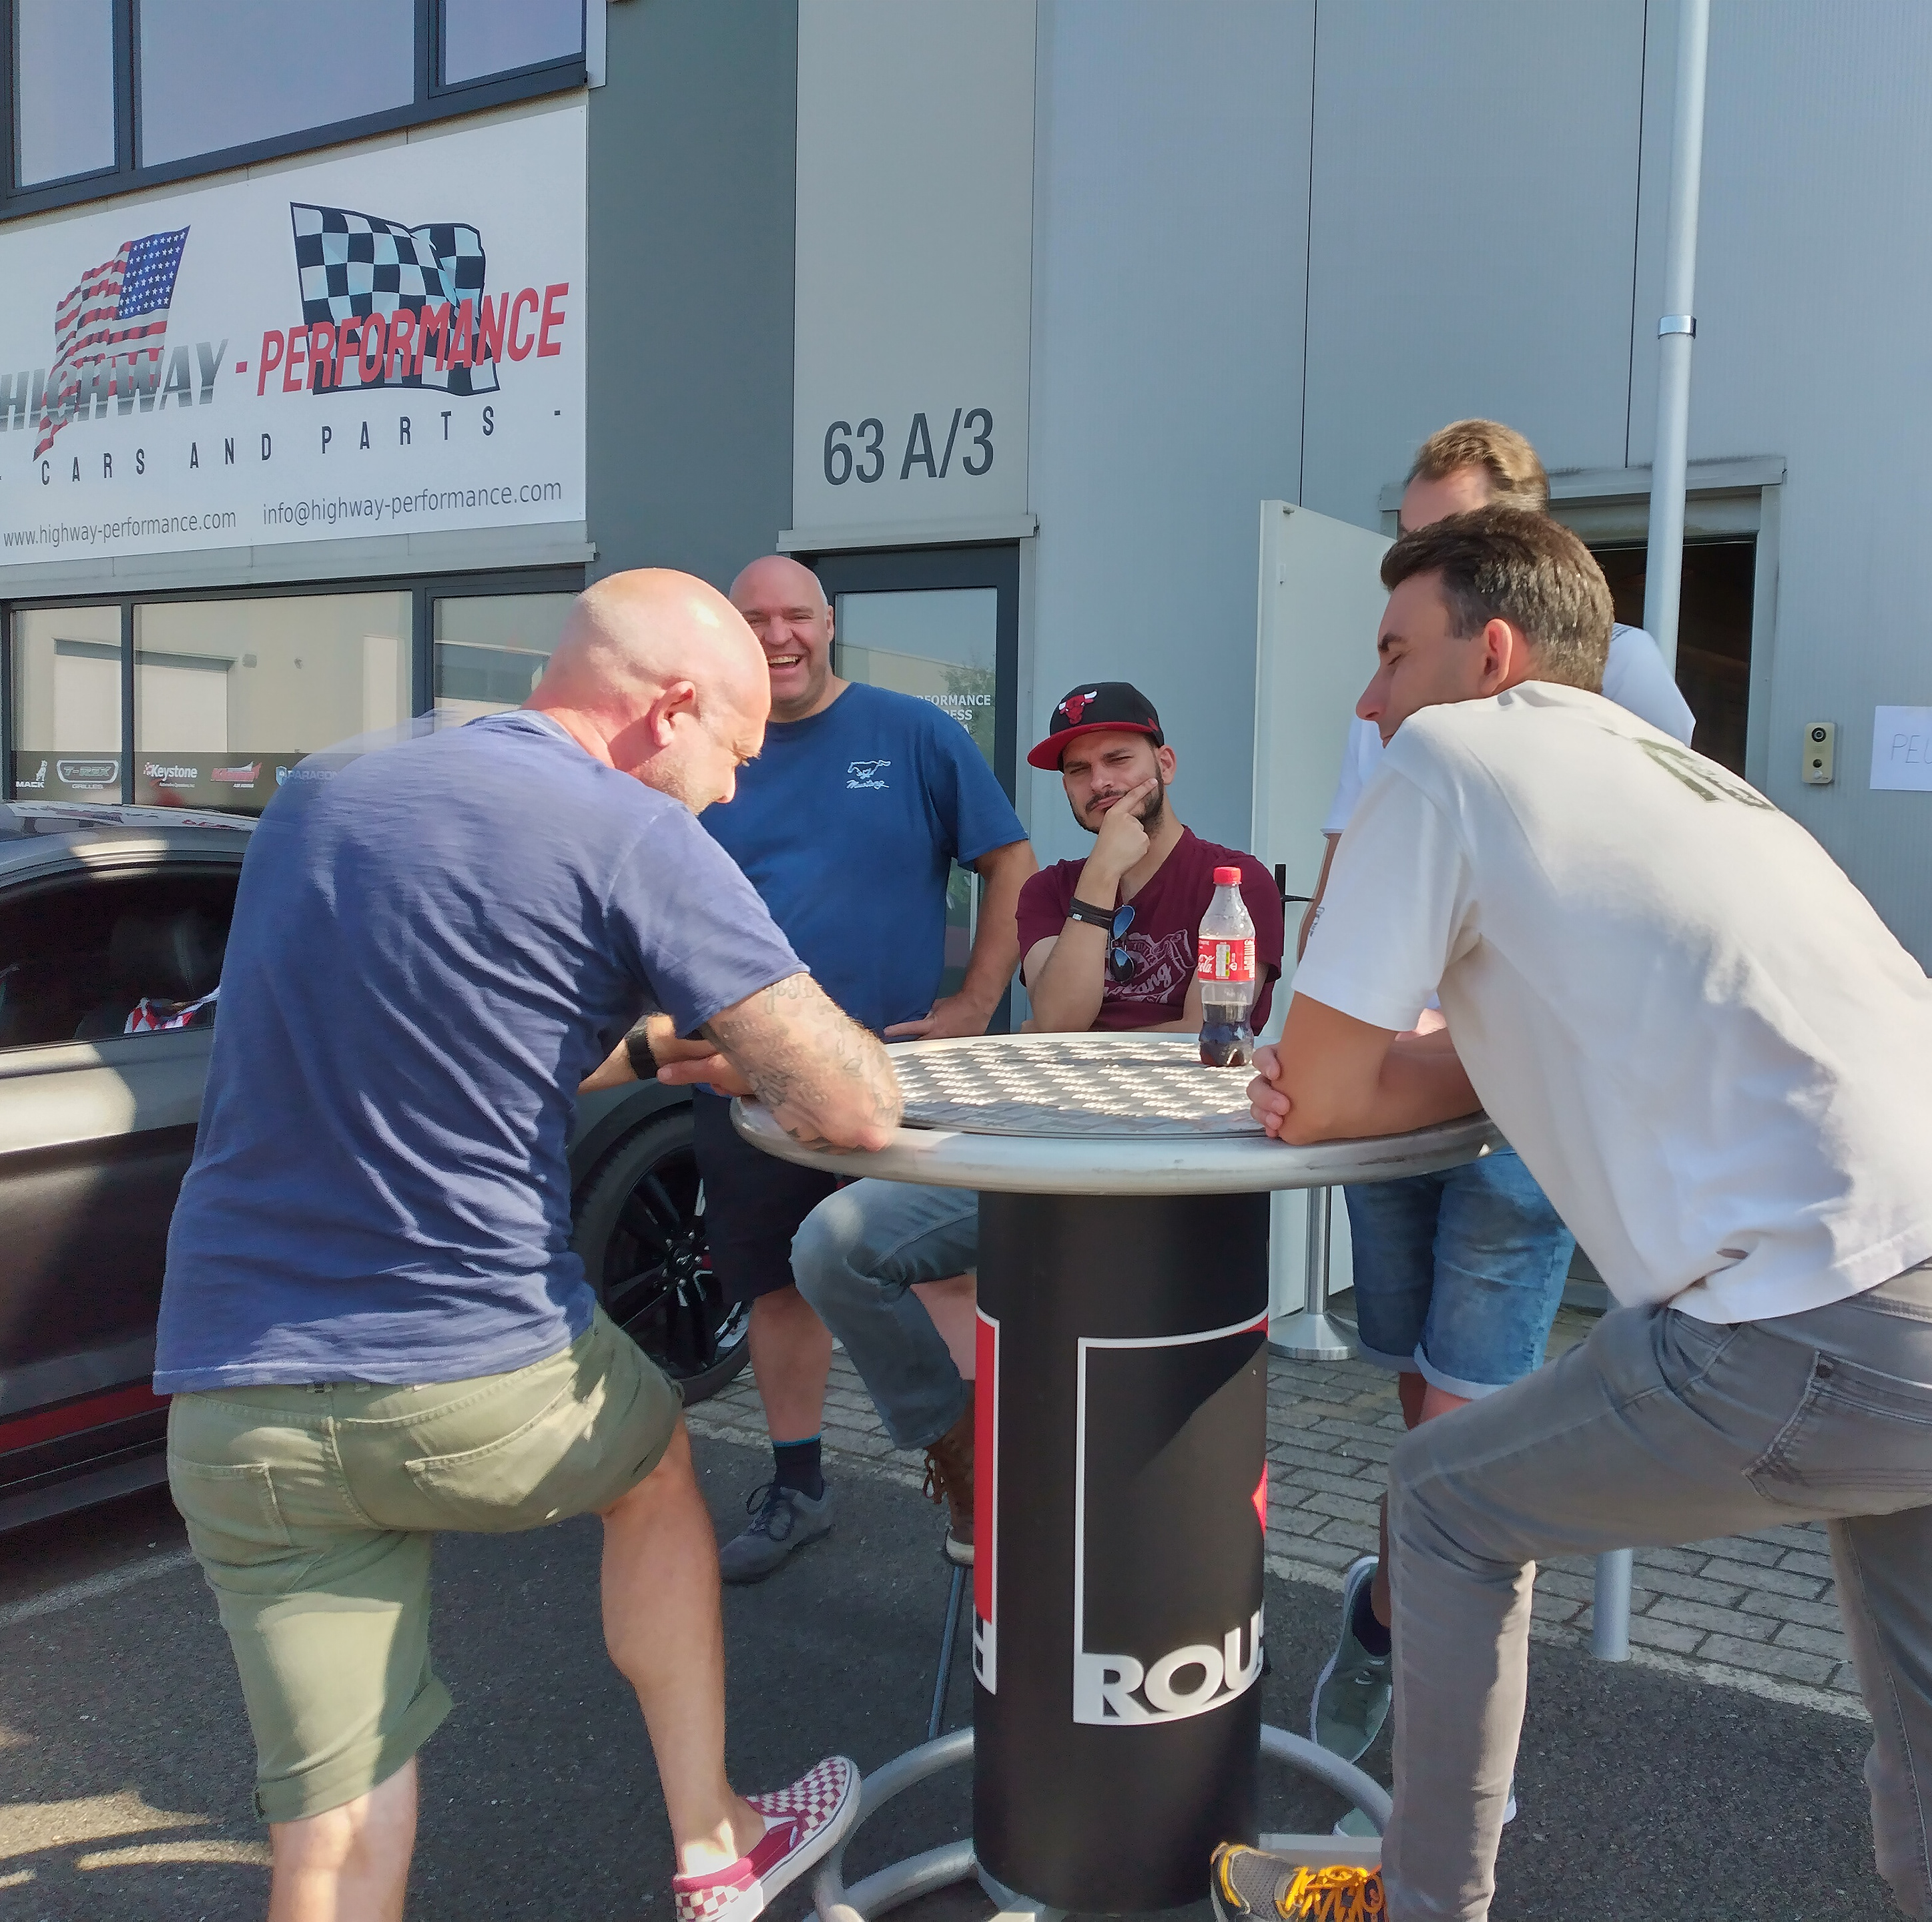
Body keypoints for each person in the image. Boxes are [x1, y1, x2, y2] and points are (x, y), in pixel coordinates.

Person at [1208, 509, 1932, 1922]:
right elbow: (1520, 1045)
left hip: (1854, 1316)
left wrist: (1348, 1079)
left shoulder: (1449, 759)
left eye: (1393, 654)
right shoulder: (1696, 788)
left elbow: (1332, 1089)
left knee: (1446, 1502)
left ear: (1494, 654)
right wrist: (1407, 1071)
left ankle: (1422, 1904)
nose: (1368, 698)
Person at [154, 570, 903, 1922]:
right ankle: (716, 1841)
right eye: (735, 754)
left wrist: (651, 1053)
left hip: (234, 1399)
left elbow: (461, 1043)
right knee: (656, 1466)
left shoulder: (324, 791)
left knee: (333, 1838)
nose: (732, 790)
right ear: (672, 708)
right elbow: (852, 1104)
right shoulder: (638, 831)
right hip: (478, 1379)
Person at [1301, 417, 1696, 1771]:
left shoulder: (1614, 669)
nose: (1418, 558)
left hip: (1520, 1095)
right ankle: (1394, 1620)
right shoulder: (1400, 683)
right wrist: (1330, 1016)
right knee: (1421, 1393)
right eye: (1409, 534)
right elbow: (1351, 854)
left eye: (1448, 532)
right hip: (1402, 1076)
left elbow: (1642, 858)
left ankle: (1437, 1723)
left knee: (1467, 1419)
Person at [790, 681, 1285, 1561]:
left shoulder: (1231, 882)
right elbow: (1059, 1017)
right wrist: (1100, 880)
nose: (1101, 783)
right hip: (1036, 1152)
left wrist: (1078, 1041)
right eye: (1078, 771)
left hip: (1171, 1176)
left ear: (1165, 764)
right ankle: (961, 1447)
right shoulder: (1054, 889)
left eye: (1119, 760)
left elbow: (1210, 1039)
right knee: (831, 1247)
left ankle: (1142, 1541)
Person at [694, 555, 1034, 1583]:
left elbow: (1008, 863)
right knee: (776, 1286)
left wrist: (974, 1006)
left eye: (796, 615)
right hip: (749, 1082)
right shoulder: (710, 750)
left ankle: (986, 1486)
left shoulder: (915, 734)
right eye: (755, 619)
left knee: (938, 1273)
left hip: (897, 1080)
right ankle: (799, 1486)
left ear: (829, 622)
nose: (778, 637)